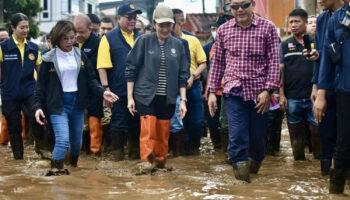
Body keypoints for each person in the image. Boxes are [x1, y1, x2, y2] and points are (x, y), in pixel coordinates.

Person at [208, 0, 280, 183]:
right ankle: (243, 188)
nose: (240, 10)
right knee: (237, 136)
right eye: (235, 6)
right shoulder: (223, 30)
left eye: (244, 5)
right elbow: (217, 63)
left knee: (258, 140)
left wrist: (268, 90)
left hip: (259, 93)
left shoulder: (268, 27)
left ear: (253, 4)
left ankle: (254, 170)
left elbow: (273, 61)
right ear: (229, 8)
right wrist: (211, 92)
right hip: (234, 91)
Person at [33, 20, 118, 175]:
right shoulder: (48, 59)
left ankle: (72, 171)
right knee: (62, 140)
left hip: (77, 104)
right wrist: (38, 107)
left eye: (72, 37)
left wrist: (103, 91)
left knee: (76, 143)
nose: (70, 41)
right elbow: (40, 87)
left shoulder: (80, 54)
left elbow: (91, 79)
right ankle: (55, 171)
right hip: (58, 104)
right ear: (57, 38)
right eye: (65, 38)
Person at [126, 5, 188, 168]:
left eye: (168, 24)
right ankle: (146, 165)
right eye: (161, 25)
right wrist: (130, 97)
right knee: (148, 132)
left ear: (173, 25)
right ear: (154, 24)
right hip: (145, 95)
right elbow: (131, 69)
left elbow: (183, 74)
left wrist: (182, 100)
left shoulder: (178, 45)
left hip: (167, 97)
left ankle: (160, 165)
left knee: (163, 133)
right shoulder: (144, 41)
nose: (165, 28)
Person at [303, 0, 344, 176]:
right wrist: (316, 85)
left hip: (345, 82)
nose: (318, 0)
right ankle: (327, 175)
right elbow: (320, 53)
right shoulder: (322, 19)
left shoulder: (346, 15)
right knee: (326, 128)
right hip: (326, 84)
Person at [97, 3, 142, 161]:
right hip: (117, 91)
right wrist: (106, 89)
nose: (132, 20)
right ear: (118, 18)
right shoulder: (108, 38)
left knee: (136, 126)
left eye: (135, 17)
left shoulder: (140, 37)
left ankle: (135, 157)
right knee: (118, 126)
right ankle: (118, 159)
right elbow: (102, 66)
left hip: (139, 91)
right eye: (129, 17)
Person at [313, 1, 350, 194]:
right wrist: (320, 94)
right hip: (345, 89)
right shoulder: (334, 19)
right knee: (343, 143)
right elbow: (326, 60)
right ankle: (335, 192)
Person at [0, 13, 44, 159]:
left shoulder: (33, 47)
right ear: (13, 28)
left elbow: (40, 71)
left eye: (27, 27)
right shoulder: (3, 47)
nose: (25, 30)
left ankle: (40, 151)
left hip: (29, 92)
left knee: (37, 118)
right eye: (21, 27)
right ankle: (18, 157)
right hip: (10, 94)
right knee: (14, 126)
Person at [280, 9, 321, 161]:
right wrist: (282, 95)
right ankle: (299, 166)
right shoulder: (285, 45)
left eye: (297, 21)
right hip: (292, 97)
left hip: (314, 96)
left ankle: (319, 166)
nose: (293, 25)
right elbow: (281, 71)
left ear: (305, 23)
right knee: (295, 135)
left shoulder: (316, 42)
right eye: (291, 22)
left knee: (317, 132)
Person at [173, 8, 207, 155]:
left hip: (193, 86)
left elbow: (203, 63)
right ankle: (184, 152)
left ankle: (196, 148)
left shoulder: (192, 40)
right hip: (175, 88)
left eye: (182, 21)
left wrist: (193, 76)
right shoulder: (165, 41)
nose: (181, 24)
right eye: (177, 21)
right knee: (180, 122)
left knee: (197, 120)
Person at [74, 14, 103, 156]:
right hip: (75, 89)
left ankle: (95, 152)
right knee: (78, 122)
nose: (78, 35)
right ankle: (79, 151)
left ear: (90, 28)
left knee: (94, 121)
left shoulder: (98, 43)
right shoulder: (71, 43)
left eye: (81, 32)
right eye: (75, 32)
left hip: (93, 89)